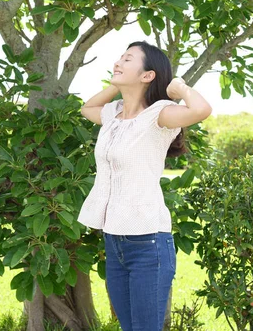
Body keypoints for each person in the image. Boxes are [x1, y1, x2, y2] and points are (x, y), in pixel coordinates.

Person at [77, 41, 212, 331]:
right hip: (115, 239)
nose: (118, 62)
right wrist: (117, 85)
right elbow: (87, 107)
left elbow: (201, 109)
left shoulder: (159, 114)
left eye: (127, 59)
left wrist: (180, 88)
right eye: (119, 58)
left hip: (148, 241)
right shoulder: (112, 115)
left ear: (147, 75)